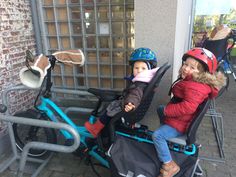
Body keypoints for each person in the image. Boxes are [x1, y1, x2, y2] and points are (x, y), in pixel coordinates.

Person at [152, 48, 226, 177]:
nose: (186, 68)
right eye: (185, 64)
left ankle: (169, 165)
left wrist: (166, 111)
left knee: (158, 135)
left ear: (203, 73)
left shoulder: (195, 86)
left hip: (180, 124)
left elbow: (188, 107)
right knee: (160, 111)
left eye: (192, 67)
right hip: (180, 120)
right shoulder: (194, 82)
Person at [85, 47, 158, 138]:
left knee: (108, 111)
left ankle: (95, 129)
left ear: (150, 69)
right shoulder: (143, 81)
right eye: (136, 68)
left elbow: (135, 95)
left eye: (143, 68)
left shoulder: (140, 84)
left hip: (125, 106)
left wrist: (130, 103)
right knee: (109, 107)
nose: (139, 70)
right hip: (126, 104)